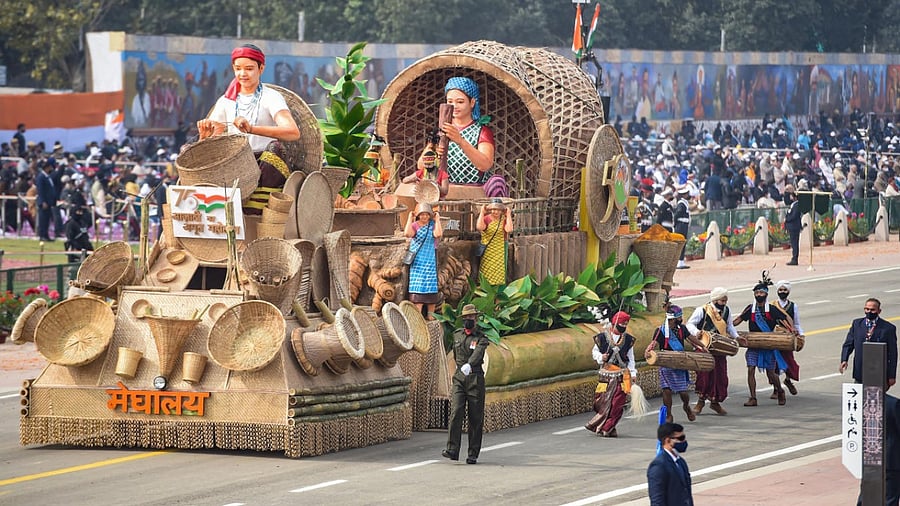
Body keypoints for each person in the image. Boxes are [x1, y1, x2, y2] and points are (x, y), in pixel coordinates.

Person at [196, 43, 301, 212]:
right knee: (189, 150)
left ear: (261, 68)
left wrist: (252, 129)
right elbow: (213, 143)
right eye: (238, 68)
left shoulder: (271, 97)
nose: (243, 74)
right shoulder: (226, 101)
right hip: (235, 163)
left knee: (275, 149)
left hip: (264, 164)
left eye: (249, 68)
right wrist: (204, 137)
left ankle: (257, 209)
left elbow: (292, 132)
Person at [419, 77, 508, 197]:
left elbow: (485, 164)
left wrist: (460, 141)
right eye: (450, 102)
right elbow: (420, 165)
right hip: (445, 188)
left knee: (497, 182)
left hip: (475, 191)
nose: (454, 106)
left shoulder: (481, 131)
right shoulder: (441, 131)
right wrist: (433, 151)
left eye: (460, 102)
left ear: (472, 102)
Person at [733, 272, 791, 406]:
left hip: (767, 344)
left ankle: (780, 390)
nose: (759, 295)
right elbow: (739, 320)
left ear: (766, 294)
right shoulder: (750, 309)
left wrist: (791, 329)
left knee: (771, 373)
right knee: (750, 368)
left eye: (761, 292)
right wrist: (727, 326)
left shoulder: (771, 309)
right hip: (753, 344)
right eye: (756, 293)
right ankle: (753, 397)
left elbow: (784, 319)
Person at [443, 304, 489, 465]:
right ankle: (452, 449)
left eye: (471, 318)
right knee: (456, 412)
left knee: (475, 418)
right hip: (460, 378)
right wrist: (461, 368)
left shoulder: (481, 338)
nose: (468, 320)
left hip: (475, 378)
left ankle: (473, 453)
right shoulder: (457, 336)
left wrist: (470, 364)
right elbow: (456, 355)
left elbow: (478, 353)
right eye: (466, 318)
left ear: (476, 319)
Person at [584, 311, 642, 437]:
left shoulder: (628, 340)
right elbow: (594, 353)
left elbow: (631, 358)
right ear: (615, 323)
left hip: (622, 376)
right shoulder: (601, 338)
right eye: (622, 323)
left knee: (617, 404)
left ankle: (608, 427)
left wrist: (633, 373)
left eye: (626, 324)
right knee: (601, 402)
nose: (624, 326)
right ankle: (603, 426)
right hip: (606, 376)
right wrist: (601, 357)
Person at [645, 305, 707, 423]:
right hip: (666, 364)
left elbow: (691, 339)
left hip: (680, 363)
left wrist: (703, 347)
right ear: (673, 319)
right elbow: (654, 343)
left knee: (683, 392)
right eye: (679, 317)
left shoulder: (682, 329)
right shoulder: (660, 330)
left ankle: (686, 407)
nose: (681, 319)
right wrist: (648, 351)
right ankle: (669, 414)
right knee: (666, 390)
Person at [686, 287, 739, 416]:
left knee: (720, 376)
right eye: (722, 300)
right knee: (704, 377)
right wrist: (697, 332)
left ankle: (715, 403)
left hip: (719, 349)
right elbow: (689, 324)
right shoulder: (702, 310)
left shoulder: (727, 310)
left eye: (725, 300)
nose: (724, 303)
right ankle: (701, 402)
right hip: (704, 348)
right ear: (715, 300)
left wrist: (737, 337)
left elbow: (729, 326)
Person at [840, 298, 897, 389]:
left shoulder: (888, 328)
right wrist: (844, 359)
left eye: (872, 310)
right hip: (860, 371)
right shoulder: (857, 324)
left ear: (879, 311)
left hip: (879, 372)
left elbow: (893, 354)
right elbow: (849, 344)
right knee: (860, 399)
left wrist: (891, 376)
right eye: (867, 309)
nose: (869, 311)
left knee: (875, 400)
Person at [404, 203, 443, 318]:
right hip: (418, 260)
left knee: (431, 284)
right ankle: (418, 317)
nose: (424, 217)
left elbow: (438, 234)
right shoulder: (415, 225)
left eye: (427, 214)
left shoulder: (432, 225)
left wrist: (437, 220)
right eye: (422, 215)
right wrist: (409, 219)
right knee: (418, 286)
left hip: (429, 260)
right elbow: (407, 233)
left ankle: (431, 316)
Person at [647, 422, 694, 506]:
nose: (684, 441)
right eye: (681, 438)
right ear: (667, 440)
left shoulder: (680, 462)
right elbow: (657, 499)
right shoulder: (658, 466)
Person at [772, 280, 803, 398]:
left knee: (789, 360)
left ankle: (788, 380)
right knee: (774, 363)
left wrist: (800, 334)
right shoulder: (773, 305)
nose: (782, 292)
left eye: (785, 290)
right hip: (775, 337)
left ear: (788, 291)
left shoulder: (793, 306)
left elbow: (796, 323)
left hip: (788, 338)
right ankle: (776, 388)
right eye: (780, 290)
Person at [475, 198, 513, 285]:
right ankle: (485, 289)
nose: (495, 212)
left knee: (499, 270)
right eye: (493, 209)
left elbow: (509, 229)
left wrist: (508, 215)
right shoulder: (486, 219)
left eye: (497, 210)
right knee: (486, 269)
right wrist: (482, 213)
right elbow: (480, 227)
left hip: (499, 250)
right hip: (488, 250)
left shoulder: (503, 219)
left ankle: (497, 292)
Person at [783, 185, 802, 265]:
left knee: (795, 243)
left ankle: (795, 259)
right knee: (793, 243)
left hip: (794, 226)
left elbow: (794, 215)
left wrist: (787, 219)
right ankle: (794, 257)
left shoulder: (797, 205)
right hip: (792, 226)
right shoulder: (794, 204)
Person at [674, 186, 691, 269]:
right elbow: (678, 214)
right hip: (681, 225)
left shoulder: (685, 203)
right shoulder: (681, 203)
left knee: (683, 242)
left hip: (684, 224)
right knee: (680, 242)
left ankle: (681, 261)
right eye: (687, 194)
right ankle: (678, 261)